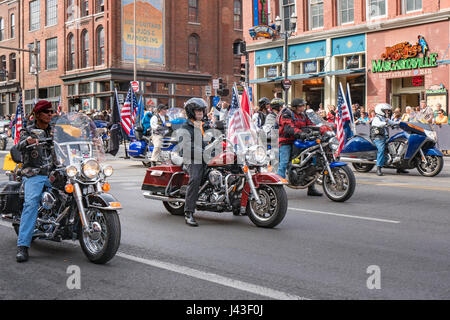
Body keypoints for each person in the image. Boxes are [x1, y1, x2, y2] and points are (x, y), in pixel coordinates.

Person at [15, 100, 55, 262]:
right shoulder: (29, 130)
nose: (50, 115)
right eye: (47, 112)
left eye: (51, 112)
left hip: (54, 172)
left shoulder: (55, 131)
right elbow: (19, 146)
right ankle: (23, 246)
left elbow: (71, 139)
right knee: (31, 203)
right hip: (34, 173)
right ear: (38, 114)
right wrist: (28, 142)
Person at [277, 98, 322, 196]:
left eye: (304, 105)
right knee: (284, 162)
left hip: (300, 141)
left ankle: (311, 188)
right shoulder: (287, 114)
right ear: (295, 107)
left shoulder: (304, 115)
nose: (303, 107)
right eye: (301, 106)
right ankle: (277, 190)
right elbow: (288, 127)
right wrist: (300, 133)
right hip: (287, 141)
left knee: (310, 161)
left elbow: (311, 125)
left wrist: (322, 129)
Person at [180, 98, 211, 227]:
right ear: (191, 112)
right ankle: (189, 212)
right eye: (197, 110)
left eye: (201, 110)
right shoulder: (185, 127)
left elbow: (215, 138)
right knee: (196, 178)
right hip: (193, 158)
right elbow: (185, 146)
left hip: (207, 157)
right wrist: (201, 151)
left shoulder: (206, 125)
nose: (200, 113)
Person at [370, 103, 406, 176]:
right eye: (386, 111)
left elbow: (392, 123)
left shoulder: (385, 119)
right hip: (378, 137)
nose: (387, 112)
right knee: (381, 149)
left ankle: (400, 168)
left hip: (385, 137)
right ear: (381, 111)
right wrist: (385, 123)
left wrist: (400, 123)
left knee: (397, 148)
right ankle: (379, 168)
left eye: (387, 111)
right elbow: (379, 124)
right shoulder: (376, 118)